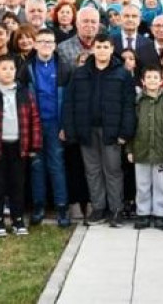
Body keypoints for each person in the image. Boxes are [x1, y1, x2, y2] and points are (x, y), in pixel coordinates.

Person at [61, 34, 136, 227]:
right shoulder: (80, 73)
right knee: (92, 171)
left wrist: (125, 132)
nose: (102, 50)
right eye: (98, 46)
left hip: (111, 131)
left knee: (112, 170)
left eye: (105, 46)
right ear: (92, 49)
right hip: (87, 130)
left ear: (112, 49)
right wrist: (70, 129)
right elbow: (69, 103)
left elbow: (129, 105)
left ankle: (116, 209)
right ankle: (98, 208)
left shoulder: (122, 73)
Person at [0, 54, 42, 237]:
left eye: (11, 68)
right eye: (4, 68)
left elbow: (34, 119)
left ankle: (18, 219)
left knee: (17, 184)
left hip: (19, 145)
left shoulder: (24, 92)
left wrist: (34, 145)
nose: (8, 72)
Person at [27, 29, 73, 228]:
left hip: (56, 123)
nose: (46, 45)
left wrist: (65, 125)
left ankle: (62, 206)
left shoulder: (63, 67)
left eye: (50, 41)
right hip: (34, 124)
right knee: (37, 165)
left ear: (55, 45)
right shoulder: (27, 67)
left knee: (57, 165)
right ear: (35, 44)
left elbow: (69, 100)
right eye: (42, 41)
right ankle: (38, 206)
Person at [128, 65, 163, 231]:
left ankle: (161, 214)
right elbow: (130, 126)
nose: (152, 80)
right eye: (148, 77)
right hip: (141, 150)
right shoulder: (137, 101)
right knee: (142, 184)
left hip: (162, 152)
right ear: (143, 81)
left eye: (155, 78)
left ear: (161, 81)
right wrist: (130, 150)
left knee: (161, 184)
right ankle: (143, 213)